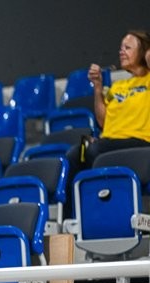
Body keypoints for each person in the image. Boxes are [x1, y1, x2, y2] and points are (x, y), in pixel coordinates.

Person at [65, 30, 150, 216]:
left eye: (127, 47)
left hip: (140, 142)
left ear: (143, 52)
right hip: (108, 142)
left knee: (95, 151)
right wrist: (97, 87)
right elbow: (102, 121)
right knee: (76, 153)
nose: (121, 52)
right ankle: (72, 217)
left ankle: (102, 207)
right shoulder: (118, 87)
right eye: (120, 48)